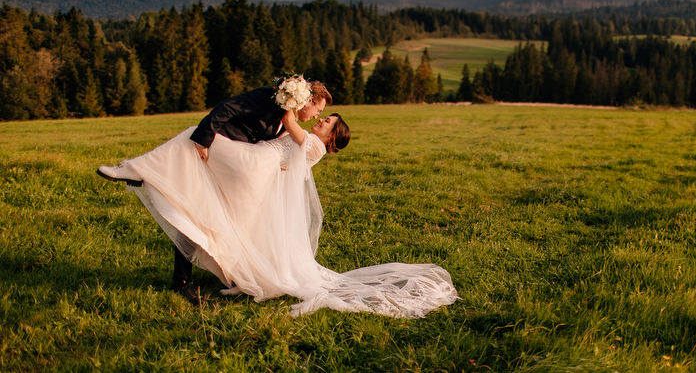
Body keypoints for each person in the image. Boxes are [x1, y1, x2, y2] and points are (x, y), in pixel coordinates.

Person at [97, 77, 457, 317]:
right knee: (201, 174)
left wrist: (291, 97)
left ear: (331, 138)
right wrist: (293, 97)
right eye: (322, 114)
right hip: (255, 167)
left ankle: (136, 169)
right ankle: (143, 174)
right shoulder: (303, 136)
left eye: (326, 121)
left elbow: (292, 126)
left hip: (253, 165)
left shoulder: (313, 145)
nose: (320, 120)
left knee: (195, 133)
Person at [99, 78, 333, 303]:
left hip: (246, 168)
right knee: (201, 211)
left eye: (323, 118)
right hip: (240, 167)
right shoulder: (272, 101)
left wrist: (202, 137)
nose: (317, 116)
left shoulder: (298, 131)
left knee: (190, 137)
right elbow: (227, 108)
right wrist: (204, 137)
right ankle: (194, 280)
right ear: (308, 100)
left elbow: (287, 147)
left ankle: (133, 169)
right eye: (318, 111)